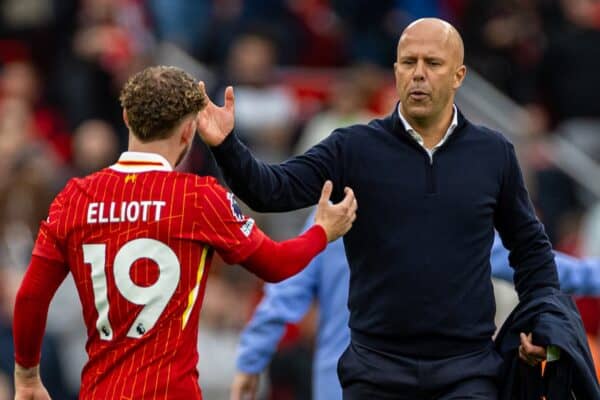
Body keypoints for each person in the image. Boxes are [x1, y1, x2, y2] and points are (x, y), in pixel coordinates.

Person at [197, 18, 567, 398]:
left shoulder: (494, 153)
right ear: (395, 72)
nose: (418, 74)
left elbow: (530, 249)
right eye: (409, 62)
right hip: (377, 370)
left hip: (467, 369)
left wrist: (545, 323)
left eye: (433, 63)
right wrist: (226, 145)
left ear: (458, 76)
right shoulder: (353, 148)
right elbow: (270, 192)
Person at [11, 66, 357, 400]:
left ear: (127, 119)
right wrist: (321, 232)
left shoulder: (75, 198)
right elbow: (276, 264)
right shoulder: (198, 198)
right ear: (189, 132)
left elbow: (30, 297)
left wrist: (27, 377)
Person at [229, 211, 600, 400]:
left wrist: (250, 361)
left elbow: (283, 296)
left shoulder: (333, 216)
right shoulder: (453, 216)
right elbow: (540, 265)